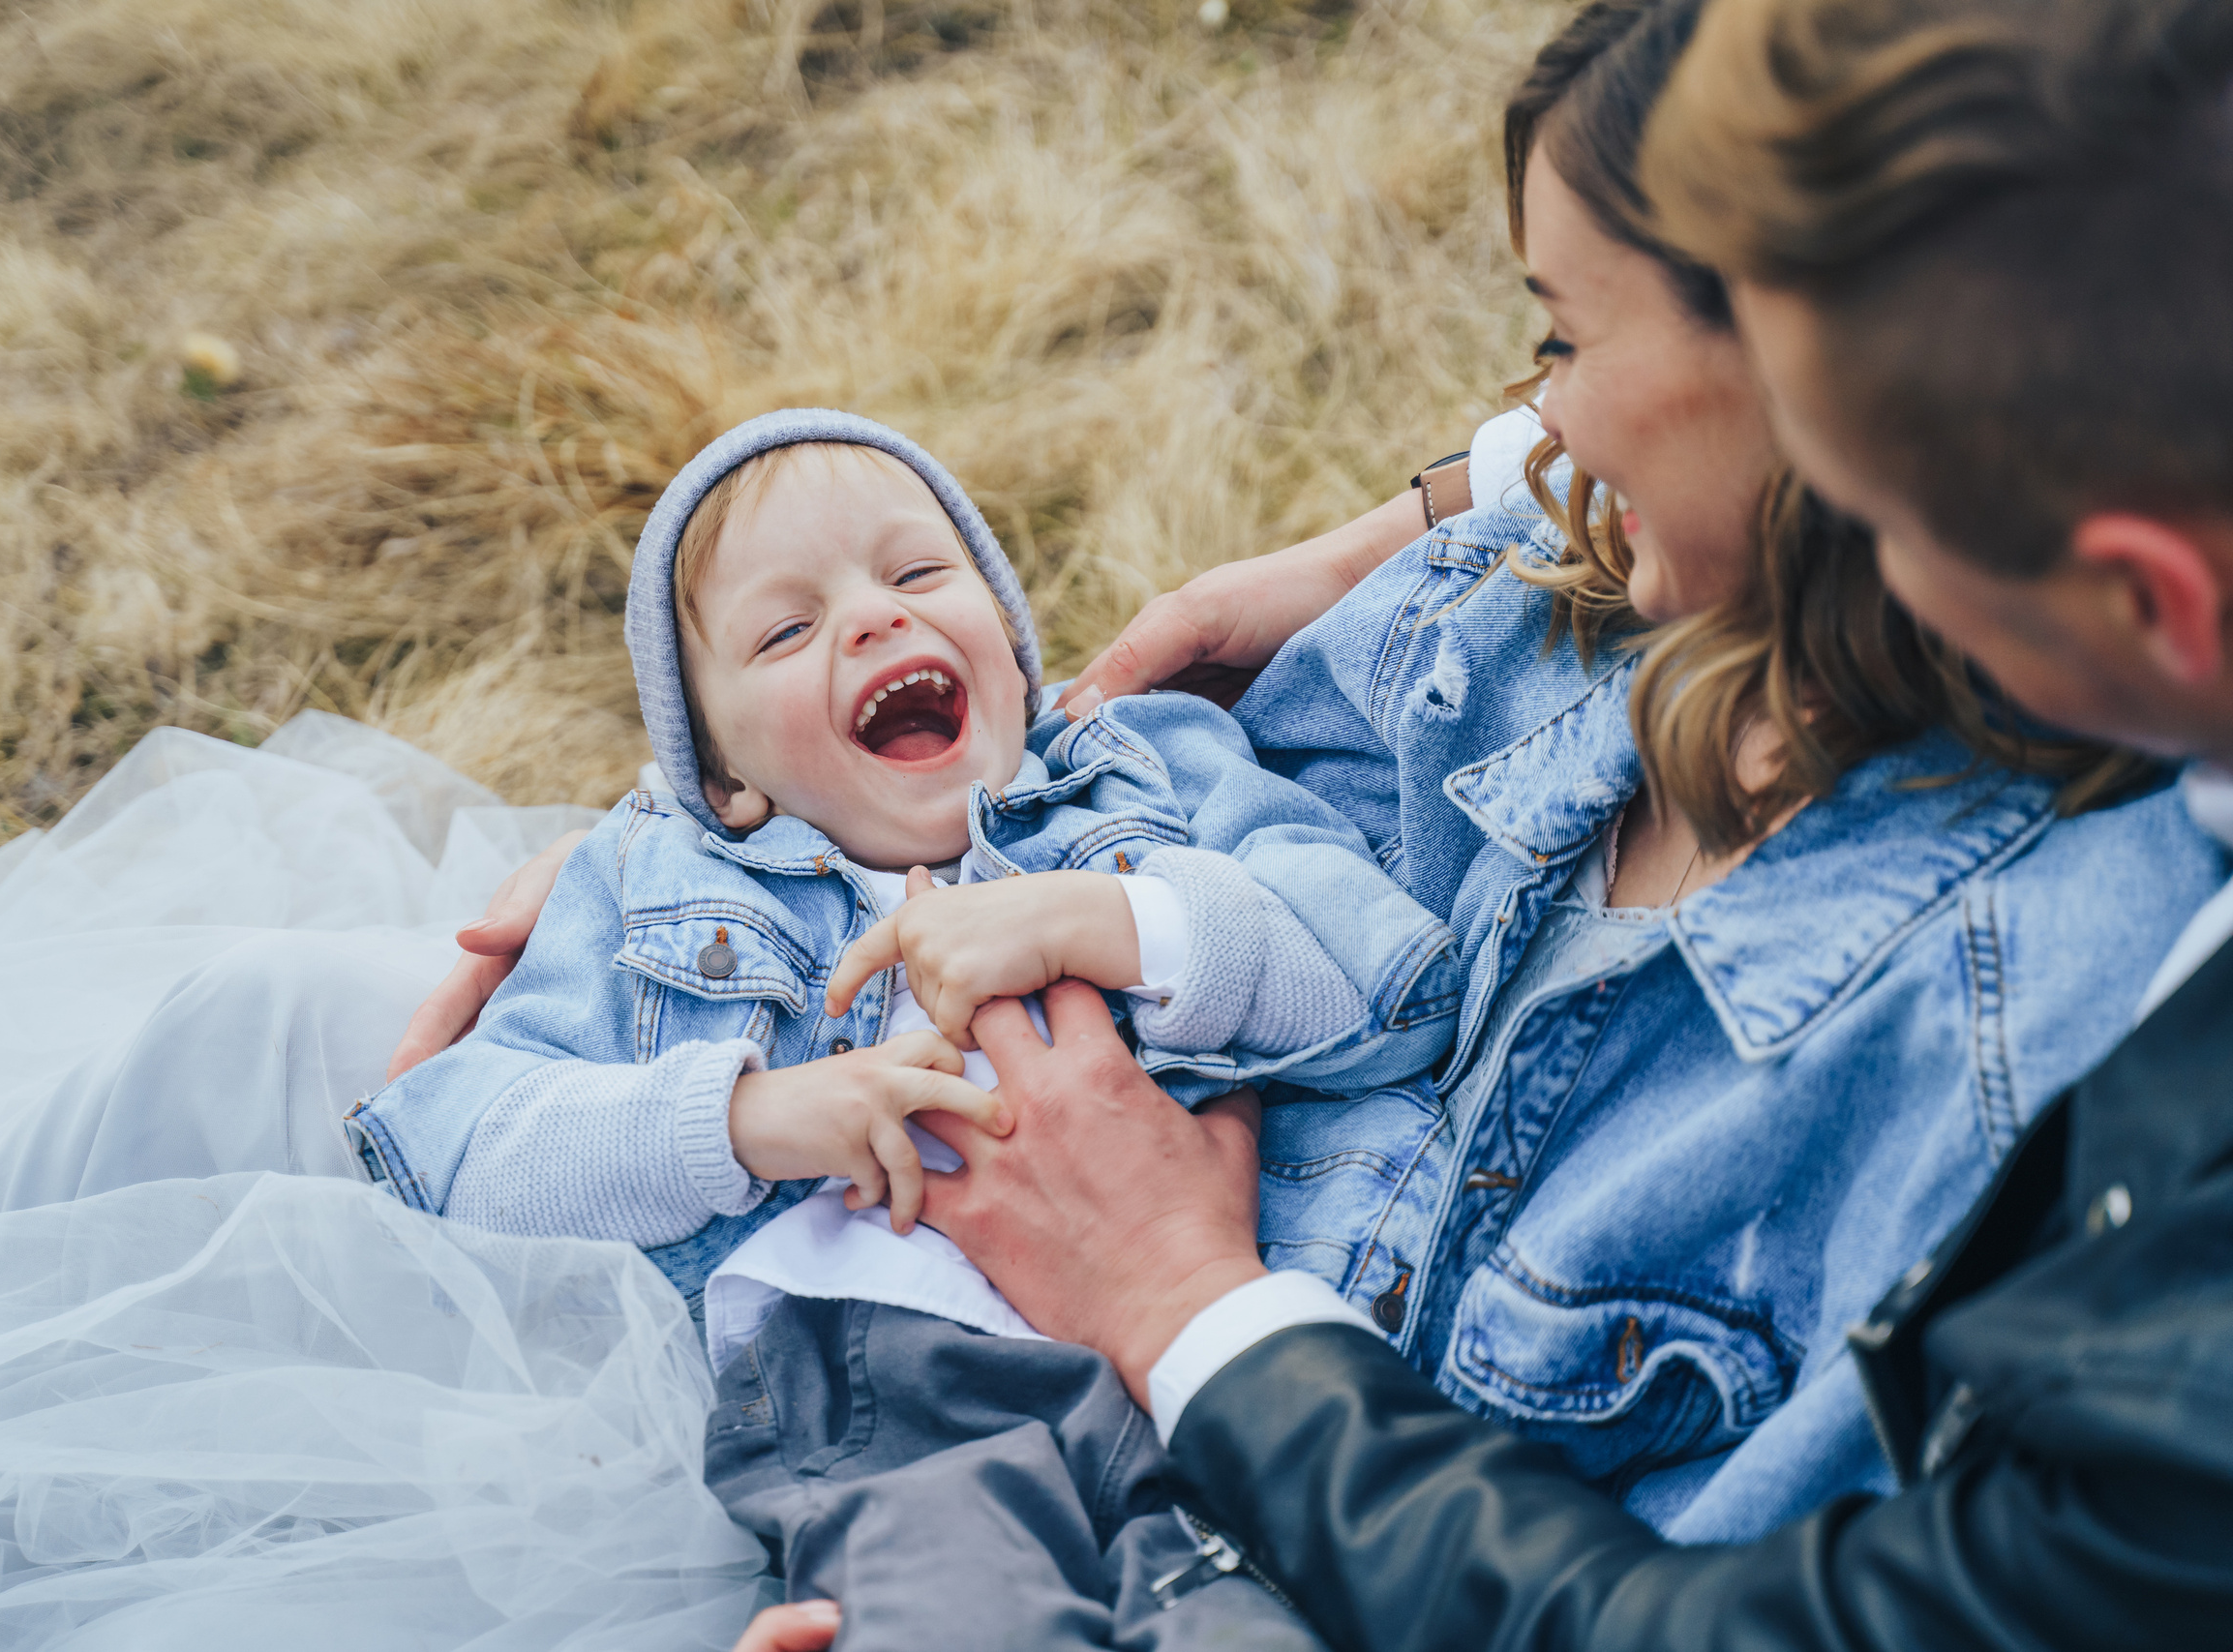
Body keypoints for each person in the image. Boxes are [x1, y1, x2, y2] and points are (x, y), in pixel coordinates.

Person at [805, 0, 2233, 1646]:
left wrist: (1177, 1296)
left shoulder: (2064, 1069)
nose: (1534, 426)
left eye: (1563, 337)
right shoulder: (1511, 610)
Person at [361, 405, 1456, 1649]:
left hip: (1223, 1352)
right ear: (723, 779)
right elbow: (453, 1151)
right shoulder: (650, 883)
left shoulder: (1151, 767)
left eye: (919, 573)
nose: (873, 617)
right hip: (894, 1393)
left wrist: (1112, 919)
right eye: (786, 629)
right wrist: (747, 1118)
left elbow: (1396, 988)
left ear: (1011, 646)